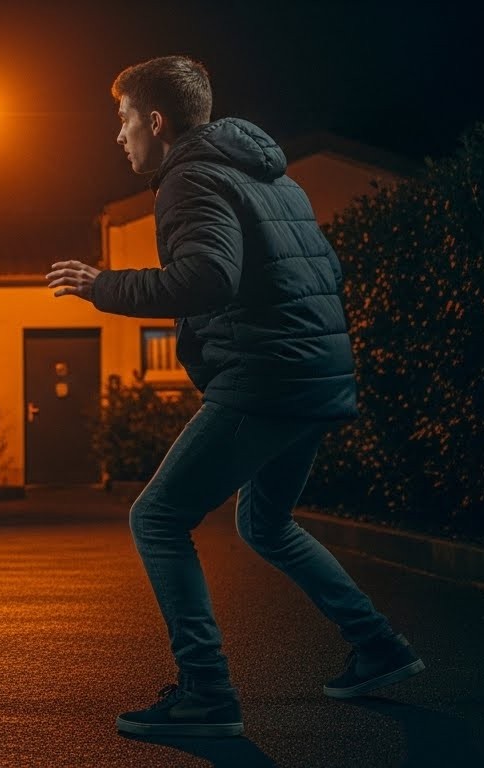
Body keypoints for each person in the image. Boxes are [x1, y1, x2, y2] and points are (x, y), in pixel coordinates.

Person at [47, 56, 424, 737]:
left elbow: (205, 278)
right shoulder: (272, 178)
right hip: (310, 376)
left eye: (124, 120)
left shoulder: (188, 179)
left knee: (157, 518)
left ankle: (206, 692)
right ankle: (378, 647)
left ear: (155, 122)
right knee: (266, 524)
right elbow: (322, 268)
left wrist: (103, 286)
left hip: (265, 379)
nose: (119, 136)